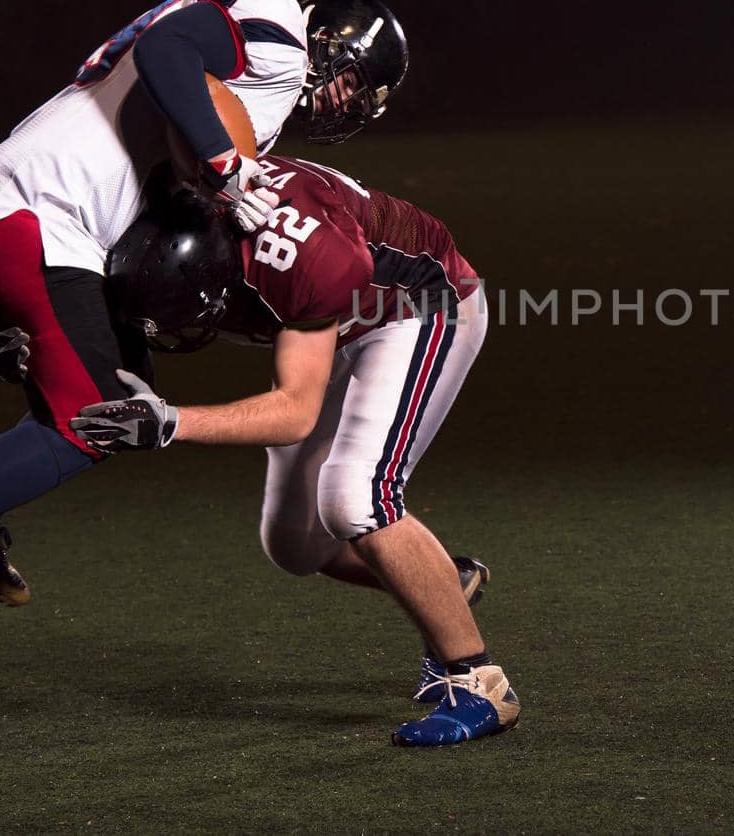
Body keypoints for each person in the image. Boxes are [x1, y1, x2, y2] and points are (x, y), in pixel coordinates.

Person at [0, 0, 408, 670]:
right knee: (89, 420)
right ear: (328, 40)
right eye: (352, 80)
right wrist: (226, 168)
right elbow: (169, 49)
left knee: (122, 398)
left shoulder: (262, 57)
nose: (343, 101)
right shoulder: (278, 31)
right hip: (37, 216)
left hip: (45, 216)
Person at [71, 157, 518, 747]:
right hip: (324, 315)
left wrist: (172, 423)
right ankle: (443, 582)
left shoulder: (299, 257)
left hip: (412, 307)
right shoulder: (136, 219)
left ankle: (478, 682)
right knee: (296, 546)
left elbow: (294, 410)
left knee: (357, 498)